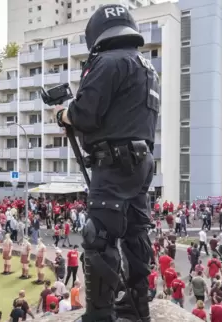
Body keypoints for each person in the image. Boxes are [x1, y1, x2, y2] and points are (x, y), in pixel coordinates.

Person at [53, 4, 159, 322]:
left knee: (98, 237)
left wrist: (62, 113)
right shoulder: (146, 66)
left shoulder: (107, 62)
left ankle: (99, 314)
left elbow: (85, 113)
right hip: (141, 161)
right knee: (136, 232)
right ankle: (137, 305)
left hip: (113, 163)